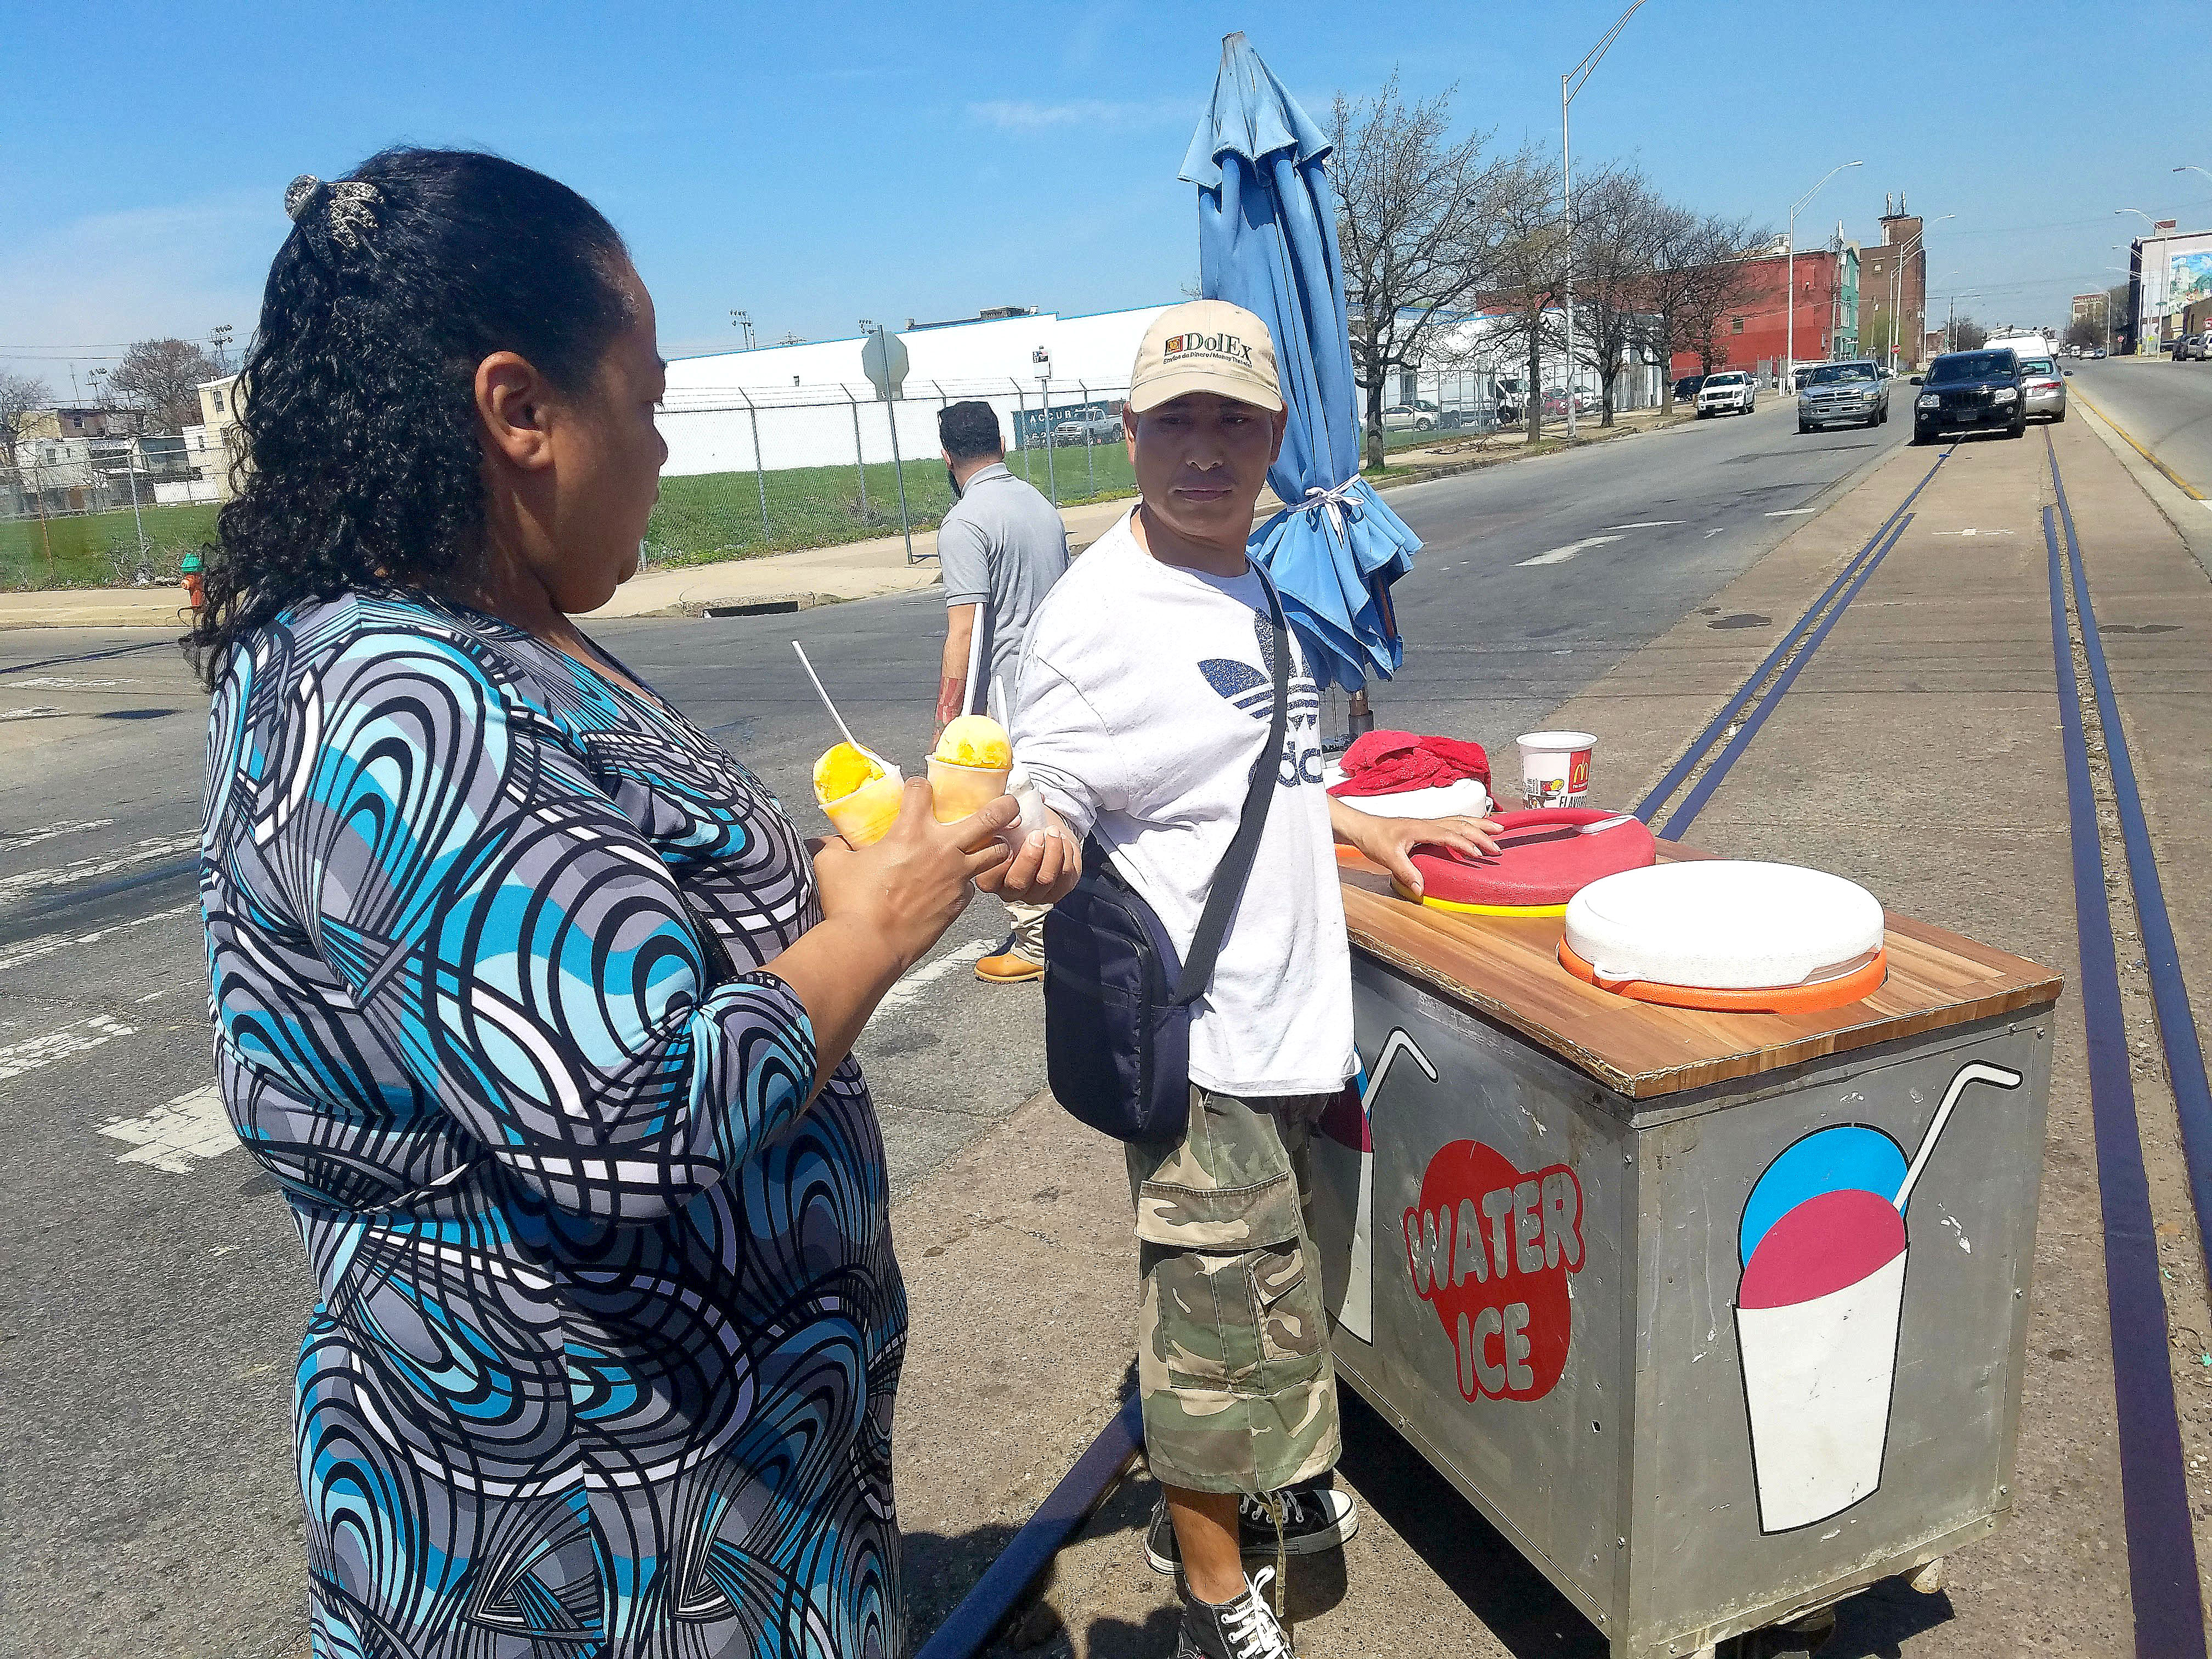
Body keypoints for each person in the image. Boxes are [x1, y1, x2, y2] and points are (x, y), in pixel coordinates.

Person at [190, 148, 1074, 1659]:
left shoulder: (498, 631)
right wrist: (877, 924)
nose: (662, 451)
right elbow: (627, 1109)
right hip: (590, 1553)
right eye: (647, 402)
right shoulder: (396, 693)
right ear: (519, 412)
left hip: (717, 1507)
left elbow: (606, 921)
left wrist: (820, 877)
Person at [1011, 301, 1499, 1659]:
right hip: (1206, 1048)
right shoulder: (1093, 617)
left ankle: (1247, 1510)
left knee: (1271, 1303)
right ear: (1129, 436)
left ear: (1278, 437)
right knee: (1212, 1345)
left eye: (1235, 420)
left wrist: (1371, 823)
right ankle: (1218, 1599)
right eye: (1178, 420)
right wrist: (1040, 841)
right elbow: (1044, 784)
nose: (1207, 449)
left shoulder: (1255, 575)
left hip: (1297, 1029)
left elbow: (1267, 768)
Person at [932, 399, 1071, 985]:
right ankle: (1060, 928)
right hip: (1061, 681)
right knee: (1057, 806)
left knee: (1016, 818)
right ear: (1003, 445)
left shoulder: (965, 522)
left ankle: (1037, 943)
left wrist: (947, 721)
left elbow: (965, 628)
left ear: (945, 455)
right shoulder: (1039, 505)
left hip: (1011, 696)